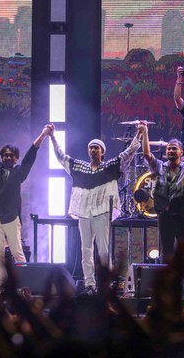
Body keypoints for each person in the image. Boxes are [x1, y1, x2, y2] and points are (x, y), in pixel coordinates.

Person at [50, 123, 141, 295]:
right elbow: (61, 156)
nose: (93, 150)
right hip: (84, 212)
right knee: (86, 250)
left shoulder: (110, 167)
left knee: (104, 250)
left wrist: (139, 135)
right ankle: (90, 284)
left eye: (96, 148)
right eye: (91, 148)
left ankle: (105, 284)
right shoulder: (79, 167)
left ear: (102, 152)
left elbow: (128, 154)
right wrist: (53, 137)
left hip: (101, 212)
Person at [0, 116, 52, 293]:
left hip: (11, 217)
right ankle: (2, 286)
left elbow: (31, 154)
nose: (8, 157)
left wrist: (43, 134)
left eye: (11, 155)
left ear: (16, 158)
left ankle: (23, 285)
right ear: (2, 157)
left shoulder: (19, 172)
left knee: (18, 253)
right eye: (5, 155)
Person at [139, 122, 184, 297]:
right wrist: (145, 132)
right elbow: (146, 154)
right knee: (167, 252)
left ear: (181, 152)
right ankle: (172, 288)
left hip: (182, 214)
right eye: (168, 149)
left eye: (174, 149)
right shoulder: (159, 166)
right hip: (165, 215)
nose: (170, 151)